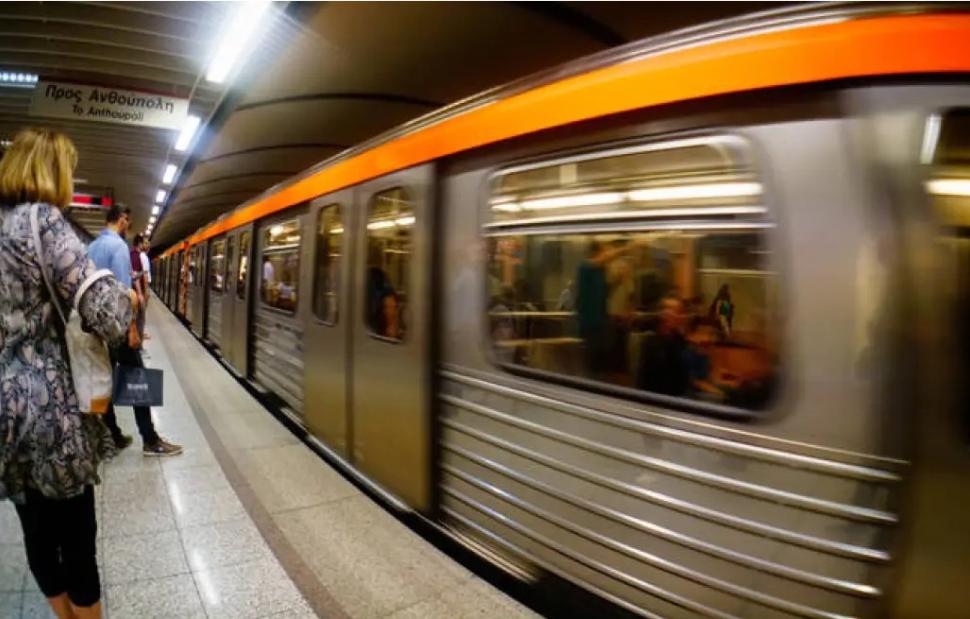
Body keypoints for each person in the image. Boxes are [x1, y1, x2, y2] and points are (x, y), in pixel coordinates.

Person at [0, 128, 137, 619]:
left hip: (4, 412)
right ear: (51, 170)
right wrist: (130, 297)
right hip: (50, 412)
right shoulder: (43, 221)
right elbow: (109, 315)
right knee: (76, 538)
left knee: (36, 532)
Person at [88, 205, 182, 457]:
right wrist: (132, 329)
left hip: (96, 328)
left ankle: (112, 435)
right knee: (139, 381)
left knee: (104, 380)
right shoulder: (118, 246)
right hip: (117, 329)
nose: (128, 227)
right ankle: (150, 440)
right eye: (127, 222)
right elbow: (123, 292)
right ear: (121, 220)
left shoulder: (92, 247)